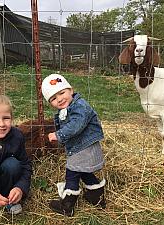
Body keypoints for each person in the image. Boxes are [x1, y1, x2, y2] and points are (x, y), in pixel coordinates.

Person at [41, 74, 106, 216]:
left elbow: (76, 126)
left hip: (84, 148)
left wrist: (58, 135)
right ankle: (97, 197)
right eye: (53, 98)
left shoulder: (80, 106)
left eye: (62, 92)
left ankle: (67, 205)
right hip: (81, 148)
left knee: (71, 173)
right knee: (83, 172)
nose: (59, 99)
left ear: (71, 90)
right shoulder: (66, 109)